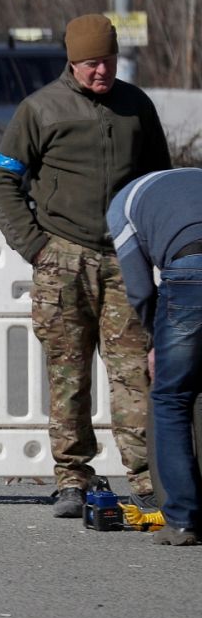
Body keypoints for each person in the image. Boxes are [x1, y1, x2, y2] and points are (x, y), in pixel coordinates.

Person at [0, 13, 171, 519]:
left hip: (125, 260)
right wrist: (37, 247)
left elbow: (159, 183)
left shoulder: (136, 107)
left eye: (108, 61)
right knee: (69, 376)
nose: (100, 72)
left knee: (135, 375)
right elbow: (1, 184)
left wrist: (153, 241)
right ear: (71, 60)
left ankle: (146, 478)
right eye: (91, 63)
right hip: (62, 258)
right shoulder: (41, 109)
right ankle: (73, 477)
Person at [108, 168, 202, 546]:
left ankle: (182, 520)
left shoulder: (121, 206)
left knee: (171, 398)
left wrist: (155, 342)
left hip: (189, 271)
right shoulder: (193, 176)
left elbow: (142, 289)